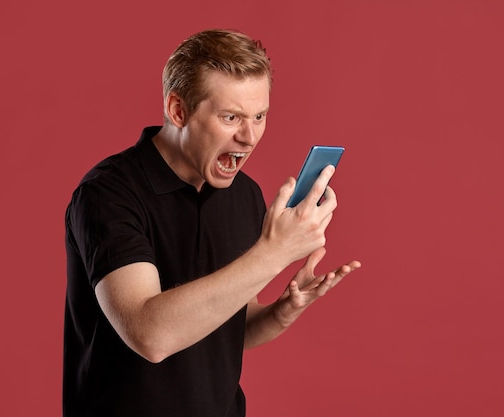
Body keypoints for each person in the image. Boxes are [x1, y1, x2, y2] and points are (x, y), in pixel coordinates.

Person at [63, 29, 361, 417]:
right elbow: (150, 335)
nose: (249, 136)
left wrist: (280, 312)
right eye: (230, 117)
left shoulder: (245, 194)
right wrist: (273, 254)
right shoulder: (108, 194)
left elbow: (228, 325)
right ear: (178, 110)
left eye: (259, 116)